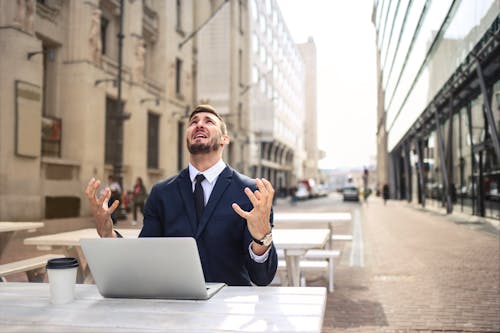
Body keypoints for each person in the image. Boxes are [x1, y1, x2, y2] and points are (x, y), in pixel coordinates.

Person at [85, 104, 278, 286]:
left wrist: (262, 237)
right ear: (186, 137)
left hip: (229, 309)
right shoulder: (162, 193)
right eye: (193, 122)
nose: (199, 124)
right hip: (175, 306)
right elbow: (143, 259)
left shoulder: (252, 194)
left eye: (208, 121)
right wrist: (107, 234)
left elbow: (262, 277)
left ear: (224, 139)